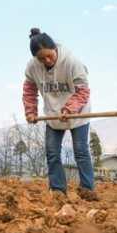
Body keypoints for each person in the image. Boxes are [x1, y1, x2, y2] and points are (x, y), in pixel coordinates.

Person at [22, 28, 98, 201]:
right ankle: (57, 190)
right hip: (53, 114)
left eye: (50, 56)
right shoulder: (32, 67)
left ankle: (87, 189)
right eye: (41, 59)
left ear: (55, 48)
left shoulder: (72, 62)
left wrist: (69, 109)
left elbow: (83, 92)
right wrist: (31, 112)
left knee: (81, 151)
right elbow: (29, 91)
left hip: (78, 114)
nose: (47, 61)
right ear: (36, 58)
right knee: (52, 152)